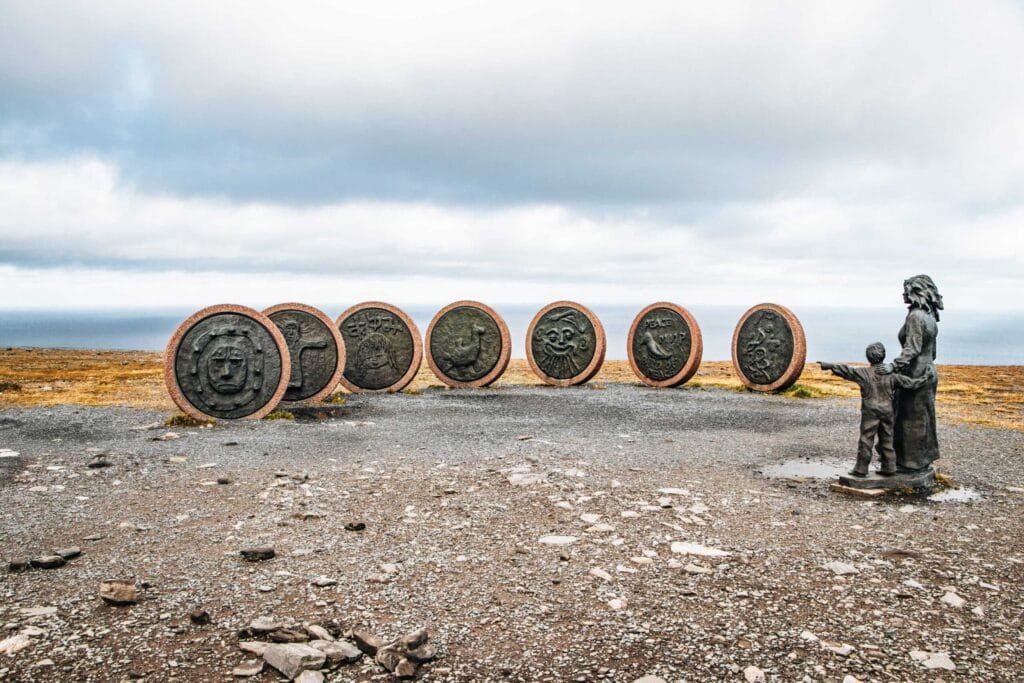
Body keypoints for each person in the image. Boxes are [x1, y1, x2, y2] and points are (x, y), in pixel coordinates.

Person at [821, 342, 934, 477]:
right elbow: (910, 384)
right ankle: (889, 467)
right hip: (887, 411)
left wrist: (829, 366)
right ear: (884, 356)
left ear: (868, 357)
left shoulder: (862, 373)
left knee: (866, 439)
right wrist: (925, 377)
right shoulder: (891, 375)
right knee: (887, 439)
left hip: (870, 411)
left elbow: (846, 370)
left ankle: (861, 469)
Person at [880, 274, 943, 471]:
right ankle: (921, 459)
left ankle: (909, 463)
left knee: (909, 418)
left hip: (915, 373)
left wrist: (894, 366)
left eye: (906, 290)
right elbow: (932, 352)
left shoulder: (916, 316)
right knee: (923, 418)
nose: (903, 294)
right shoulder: (930, 317)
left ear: (916, 291)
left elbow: (912, 348)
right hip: (929, 370)